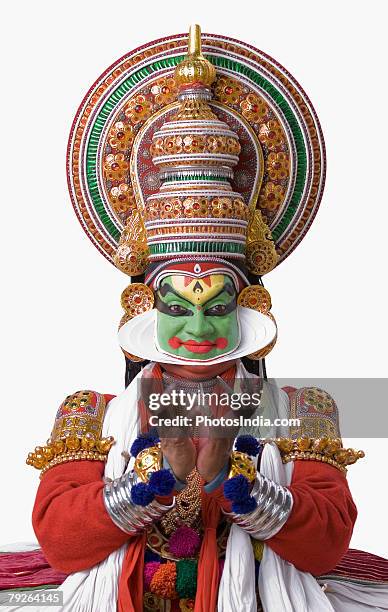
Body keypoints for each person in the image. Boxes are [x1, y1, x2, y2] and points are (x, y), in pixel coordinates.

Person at [2, 24, 387, 612]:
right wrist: (149, 485)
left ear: (251, 310)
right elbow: (61, 540)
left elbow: (327, 544)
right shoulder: (89, 413)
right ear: (143, 309)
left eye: (218, 308)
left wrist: (233, 484)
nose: (199, 332)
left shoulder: (306, 410)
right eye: (178, 308)